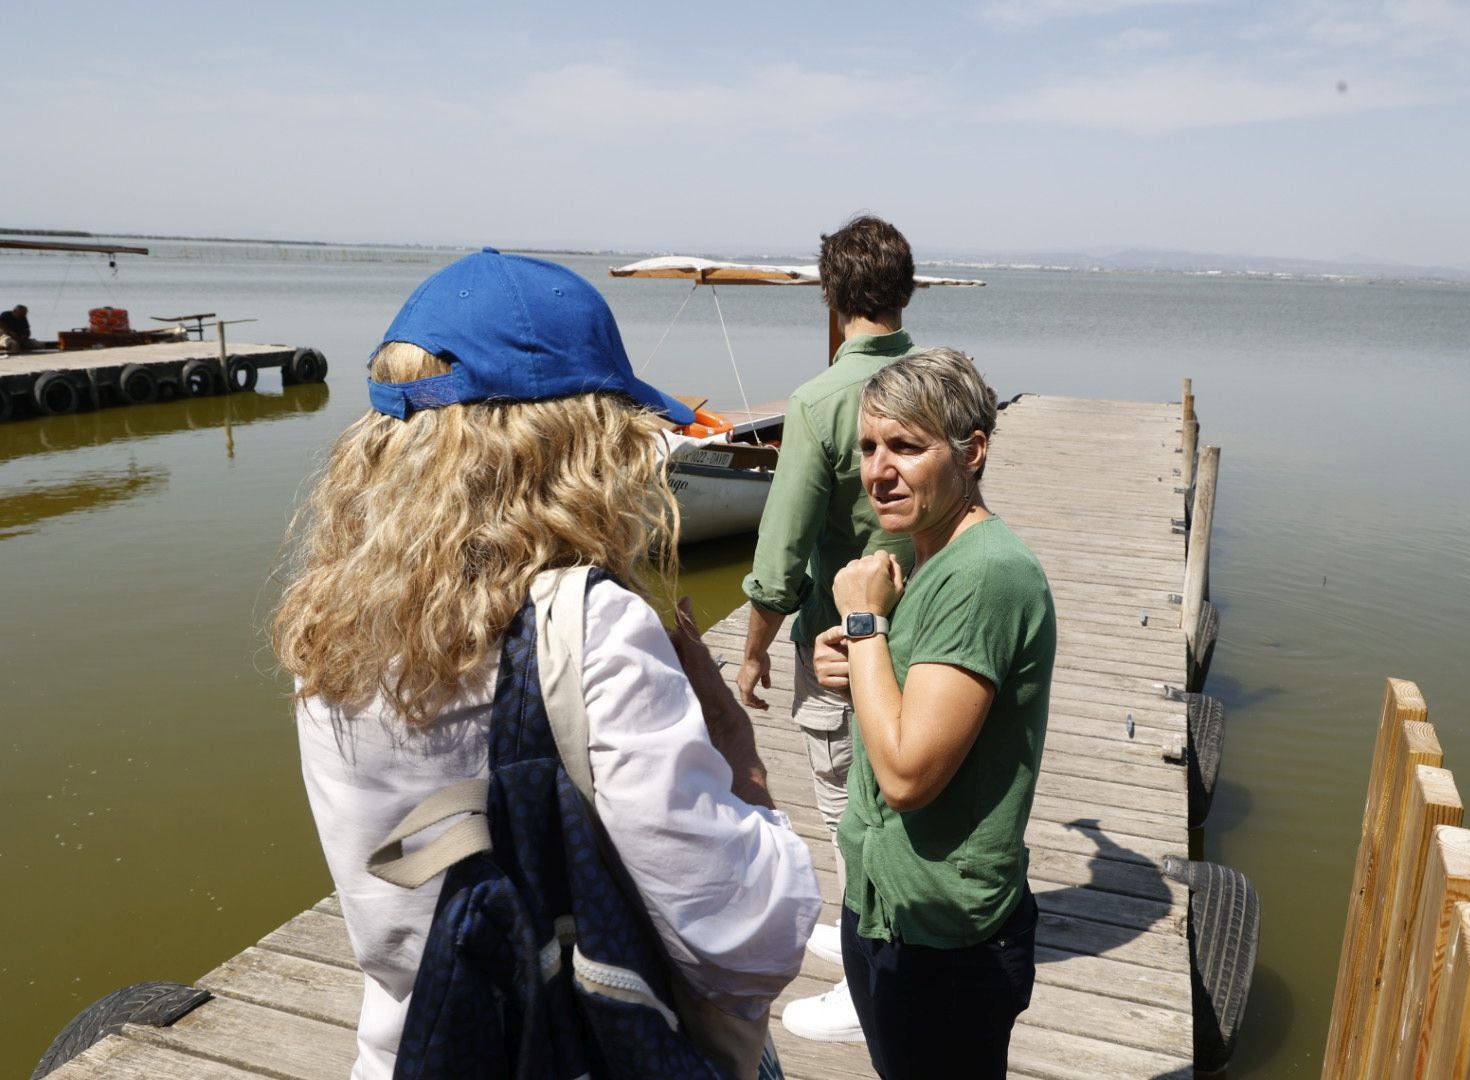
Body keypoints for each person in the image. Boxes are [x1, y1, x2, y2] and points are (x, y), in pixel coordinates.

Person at [272, 249, 820, 1079]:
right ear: (576, 440)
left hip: (408, 1055)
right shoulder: (589, 627)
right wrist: (743, 761)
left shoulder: (327, 623)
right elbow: (745, 939)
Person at [814, 348, 1057, 1079]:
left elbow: (909, 774)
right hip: (889, 912)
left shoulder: (984, 574)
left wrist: (861, 624)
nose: (879, 470)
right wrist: (859, 663)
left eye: (907, 447)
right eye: (869, 447)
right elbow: (918, 698)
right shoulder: (928, 552)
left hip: (944, 942)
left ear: (972, 451)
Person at [736, 214, 918, 1042]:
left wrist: (750, 650)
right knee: (908, 798)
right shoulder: (944, 385)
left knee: (852, 806)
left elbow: (781, 552)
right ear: (907, 292)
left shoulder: (818, 402)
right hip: (932, 633)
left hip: (844, 642)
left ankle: (866, 983)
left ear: (832, 298)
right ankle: (874, 935)